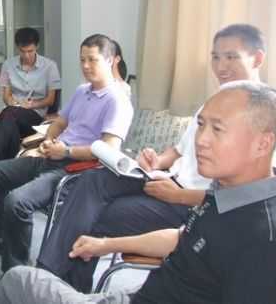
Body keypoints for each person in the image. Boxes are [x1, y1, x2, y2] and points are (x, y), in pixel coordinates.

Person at [0, 81, 276, 304]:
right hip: (141, 294)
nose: (201, 140)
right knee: (93, 189)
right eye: (201, 125)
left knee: (17, 282)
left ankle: (54, 272)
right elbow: (182, 238)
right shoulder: (223, 193)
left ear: (263, 144)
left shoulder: (262, 236)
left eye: (218, 129)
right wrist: (104, 245)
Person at [36, 23, 266, 293]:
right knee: (92, 181)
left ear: (257, 58)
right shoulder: (214, 103)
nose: (221, 66)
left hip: (188, 202)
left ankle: (55, 283)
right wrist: (156, 161)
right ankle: (50, 278)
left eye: (231, 57)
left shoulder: (263, 116)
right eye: (215, 57)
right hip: (167, 179)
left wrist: (178, 195)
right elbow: (177, 152)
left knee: (94, 215)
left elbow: (238, 199)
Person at [0, 34, 134, 273]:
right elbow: (59, 122)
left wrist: (66, 150)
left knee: (17, 202)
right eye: (82, 60)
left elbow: (108, 150)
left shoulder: (117, 100)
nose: (86, 66)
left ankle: (16, 271)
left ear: (110, 61)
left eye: (93, 60)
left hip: (75, 170)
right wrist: (48, 141)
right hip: (52, 156)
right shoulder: (82, 91)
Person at [0, 27, 61, 164]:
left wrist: (32, 105)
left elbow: (51, 100)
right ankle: (8, 166)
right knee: (11, 123)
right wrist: (11, 102)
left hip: (36, 116)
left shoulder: (50, 66)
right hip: (13, 113)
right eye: (22, 51)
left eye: (30, 51)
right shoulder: (8, 65)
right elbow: (6, 96)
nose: (26, 56)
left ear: (37, 46)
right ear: (18, 48)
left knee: (8, 115)